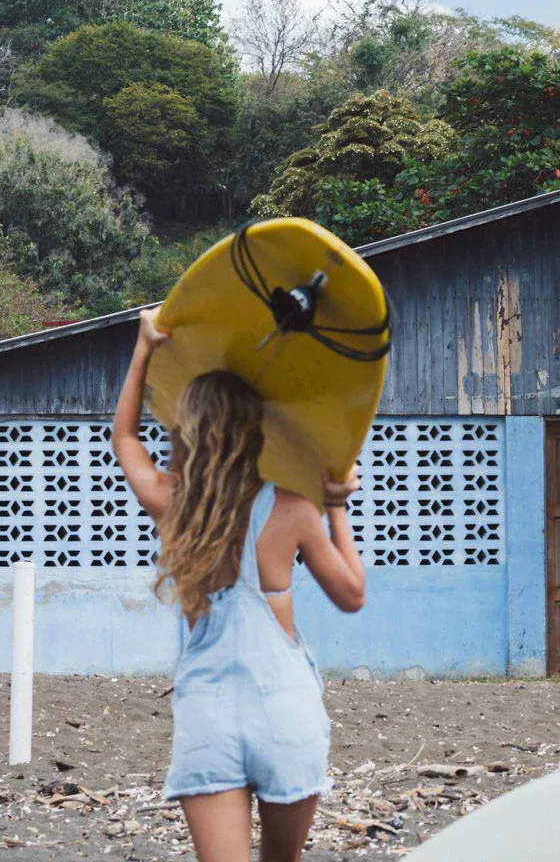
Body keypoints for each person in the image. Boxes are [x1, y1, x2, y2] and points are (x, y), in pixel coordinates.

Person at [112, 308, 367, 862]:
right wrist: (335, 506)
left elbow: (125, 437)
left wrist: (144, 348)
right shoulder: (293, 509)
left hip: (209, 711)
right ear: (255, 433)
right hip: (285, 711)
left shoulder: (174, 506)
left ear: (187, 433)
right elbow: (352, 595)